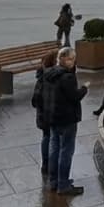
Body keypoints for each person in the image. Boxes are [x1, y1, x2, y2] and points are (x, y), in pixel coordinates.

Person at [41, 46, 88, 196]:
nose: (73, 62)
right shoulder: (67, 77)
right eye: (70, 59)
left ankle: (53, 181)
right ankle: (63, 184)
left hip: (53, 117)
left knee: (54, 149)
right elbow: (74, 96)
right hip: (67, 119)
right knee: (66, 151)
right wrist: (84, 89)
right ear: (62, 59)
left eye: (73, 59)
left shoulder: (48, 74)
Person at [32, 49, 59, 178]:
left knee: (46, 137)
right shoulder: (51, 78)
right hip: (50, 114)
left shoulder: (40, 78)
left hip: (42, 115)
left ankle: (45, 164)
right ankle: (51, 165)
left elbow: (34, 100)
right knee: (52, 139)